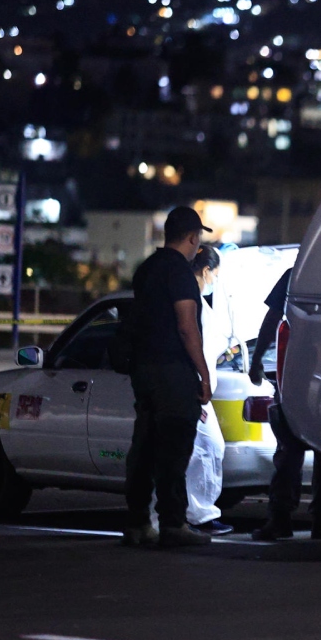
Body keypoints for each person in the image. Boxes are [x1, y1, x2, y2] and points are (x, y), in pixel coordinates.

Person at [122, 207, 214, 547]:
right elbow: (186, 327)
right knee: (174, 449)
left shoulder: (147, 269)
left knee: (144, 446)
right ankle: (173, 525)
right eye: (197, 238)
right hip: (172, 373)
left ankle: (137, 523)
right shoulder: (179, 272)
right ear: (192, 237)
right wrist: (203, 374)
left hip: (143, 370)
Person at [249, 269, 321, 541]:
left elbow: (272, 319)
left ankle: (280, 519)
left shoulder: (296, 275)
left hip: (296, 373)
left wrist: (256, 362)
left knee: (289, 449)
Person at [149, 245, 233, 536]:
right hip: (194, 388)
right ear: (206, 271)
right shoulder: (193, 303)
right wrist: (200, 387)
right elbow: (191, 343)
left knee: (192, 451)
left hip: (189, 385)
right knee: (203, 449)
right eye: (215, 275)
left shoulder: (194, 302)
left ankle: (188, 514)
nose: (215, 281)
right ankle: (190, 516)